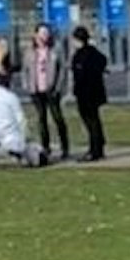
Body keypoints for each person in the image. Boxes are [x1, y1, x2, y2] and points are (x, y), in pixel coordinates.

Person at [0, 74, 45, 167]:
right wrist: (27, 137)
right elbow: (21, 121)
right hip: (12, 138)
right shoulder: (11, 97)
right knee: (38, 152)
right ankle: (20, 157)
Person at [26, 22, 71, 160]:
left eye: (46, 33)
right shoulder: (30, 51)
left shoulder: (55, 50)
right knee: (41, 119)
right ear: (36, 35)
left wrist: (58, 87)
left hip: (52, 90)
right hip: (36, 90)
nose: (44, 36)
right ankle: (46, 147)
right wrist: (28, 86)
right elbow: (25, 70)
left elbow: (62, 69)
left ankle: (65, 147)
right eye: (41, 33)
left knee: (57, 118)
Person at [70, 25, 109, 162]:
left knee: (91, 121)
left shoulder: (83, 55)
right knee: (94, 121)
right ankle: (98, 147)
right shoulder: (93, 53)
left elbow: (81, 75)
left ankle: (95, 150)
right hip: (92, 92)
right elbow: (103, 61)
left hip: (87, 93)